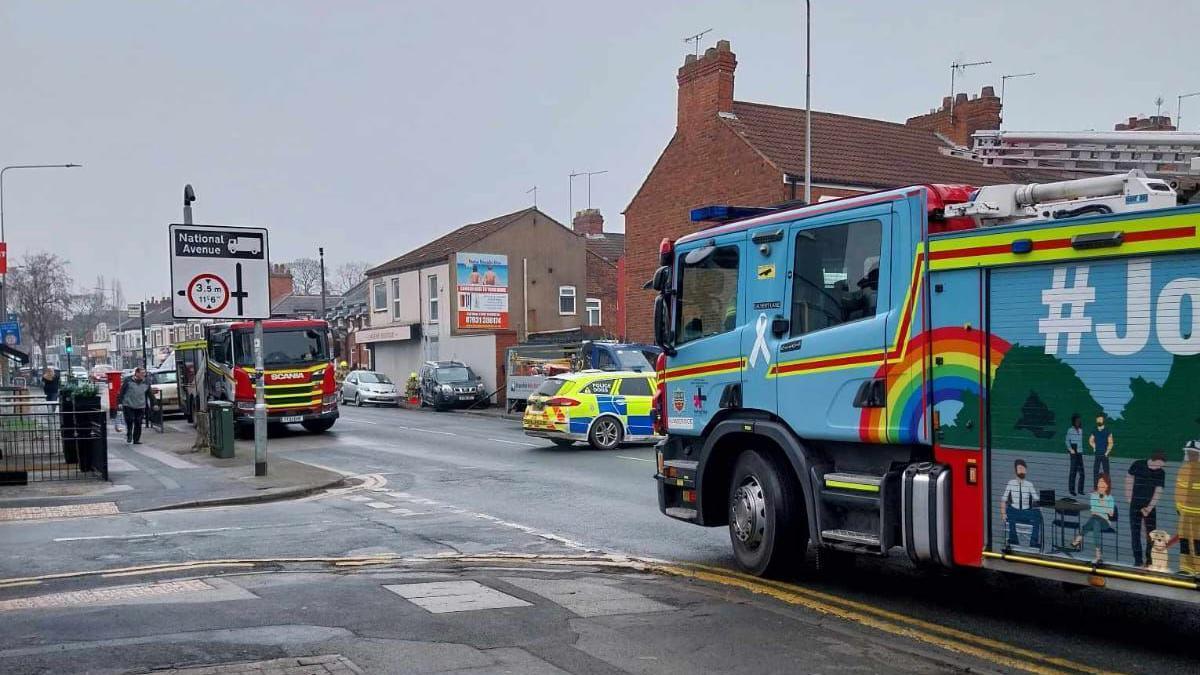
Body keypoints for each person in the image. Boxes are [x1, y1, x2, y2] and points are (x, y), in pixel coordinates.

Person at [1126, 451, 1167, 567]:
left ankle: (1149, 560)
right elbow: (1129, 479)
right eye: (1159, 464)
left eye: (1162, 466)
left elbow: (1158, 491)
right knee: (1135, 533)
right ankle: (1138, 560)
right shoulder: (1138, 464)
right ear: (1154, 460)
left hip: (1150, 507)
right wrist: (1129, 498)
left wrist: (1149, 508)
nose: (1160, 467)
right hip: (1135, 505)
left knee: (1151, 534)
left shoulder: (1161, 473)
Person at [1074, 473, 1116, 564]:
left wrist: (1102, 504)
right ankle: (1098, 556)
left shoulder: (1110, 498)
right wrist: (1103, 509)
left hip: (1105, 522)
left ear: (1107, 485)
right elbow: (1093, 511)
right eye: (1099, 482)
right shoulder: (1093, 495)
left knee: (1095, 520)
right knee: (1096, 521)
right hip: (1096, 520)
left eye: (1103, 482)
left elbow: (1111, 514)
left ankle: (1079, 538)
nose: (1101, 485)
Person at [1001, 459, 1042, 549]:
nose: (1021, 470)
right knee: (1009, 511)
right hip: (1014, 511)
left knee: (1038, 515)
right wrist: (1003, 514)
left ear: (1026, 470)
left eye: (1023, 468)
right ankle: (1014, 541)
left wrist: (1040, 506)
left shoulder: (1029, 484)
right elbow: (1003, 499)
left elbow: (1036, 498)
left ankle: (1033, 543)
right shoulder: (1011, 483)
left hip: (1026, 511)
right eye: (1019, 468)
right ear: (1016, 470)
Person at [1177, 441, 1200, 575]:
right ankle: (1186, 568)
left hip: (1198, 516)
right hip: (1184, 514)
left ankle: (1198, 569)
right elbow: (1178, 490)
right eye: (1189, 453)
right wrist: (1178, 508)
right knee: (1184, 541)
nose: (1191, 456)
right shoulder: (1183, 470)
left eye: (1194, 453)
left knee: (1198, 543)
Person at [119, 367, 152, 444]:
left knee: (138, 422)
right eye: (142, 373)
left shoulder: (146, 382)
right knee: (130, 420)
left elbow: (149, 394)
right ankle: (129, 434)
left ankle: (136, 439)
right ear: (136, 373)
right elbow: (122, 392)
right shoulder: (128, 380)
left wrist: (154, 404)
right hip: (128, 404)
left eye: (144, 373)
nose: (144, 374)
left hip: (140, 405)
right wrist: (120, 402)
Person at [1088, 413, 1114, 488]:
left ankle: (1107, 487)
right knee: (1095, 471)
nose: (1099, 420)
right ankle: (1095, 487)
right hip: (1097, 454)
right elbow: (1090, 440)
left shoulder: (1107, 430)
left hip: (1104, 454)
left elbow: (1111, 443)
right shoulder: (1095, 430)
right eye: (1097, 419)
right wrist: (1094, 447)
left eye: (1100, 418)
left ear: (1103, 420)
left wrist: (1107, 453)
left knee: (1106, 472)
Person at [1065, 414, 1085, 496]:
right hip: (1073, 451)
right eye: (1077, 421)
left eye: (1079, 421)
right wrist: (1071, 450)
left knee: (1082, 473)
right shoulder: (1070, 430)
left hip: (1079, 452)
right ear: (1074, 422)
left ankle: (1080, 490)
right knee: (1073, 472)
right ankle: (1072, 490)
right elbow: (1066, 441)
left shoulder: (1081, 430)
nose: (1078, 422)